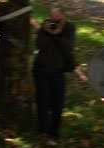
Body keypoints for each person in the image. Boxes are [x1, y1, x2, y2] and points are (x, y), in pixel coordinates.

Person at [32, 8, 76, 140]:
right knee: (43, 100)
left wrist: (58, 34)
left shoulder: (69, 28)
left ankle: (54, 132)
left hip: (58, 71)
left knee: (58, 102)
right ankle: (42, 130)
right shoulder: (46, 25)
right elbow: (39, 45)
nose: (54, 19)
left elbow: (68, 47)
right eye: (52, 16)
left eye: (57, 16)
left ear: (63, 16)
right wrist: (48, 31)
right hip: (42, 69)